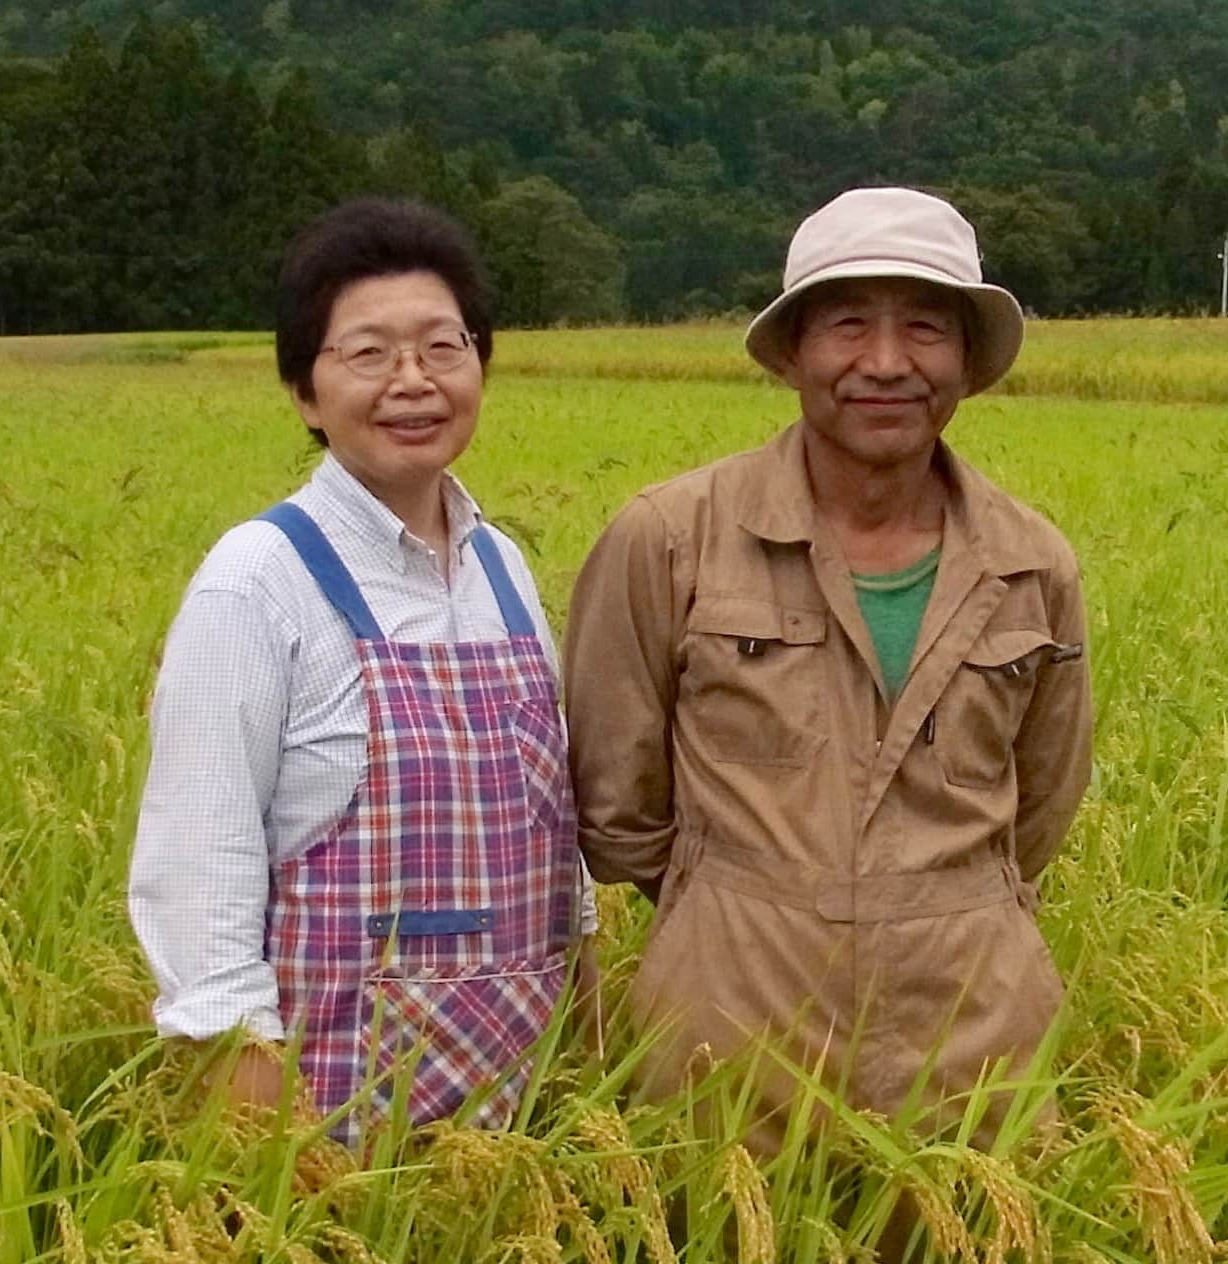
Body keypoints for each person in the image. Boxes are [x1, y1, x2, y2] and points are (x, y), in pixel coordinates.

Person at [562, 186, 1091, 1149]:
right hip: (729, 1037)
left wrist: (926, 902)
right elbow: (615, 802)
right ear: (796, 350)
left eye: (925, 328)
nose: (885, 363)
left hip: (971, 1040)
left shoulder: (1032, 563)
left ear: (966, 359)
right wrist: (742, 907)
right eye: (849, 324)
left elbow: (1042, 801)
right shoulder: (671, 540)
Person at [129, 198, 596, 1144]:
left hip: (525, 1127)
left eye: (442, 346)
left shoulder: (502, 568)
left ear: (480, 364)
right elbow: (198, 883)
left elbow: (559, 863)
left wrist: (589, 1071)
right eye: (369, 353)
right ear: (306, 392)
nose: (412, 381)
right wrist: (273, 1153)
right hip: (327, 1125)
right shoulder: (258, 584)